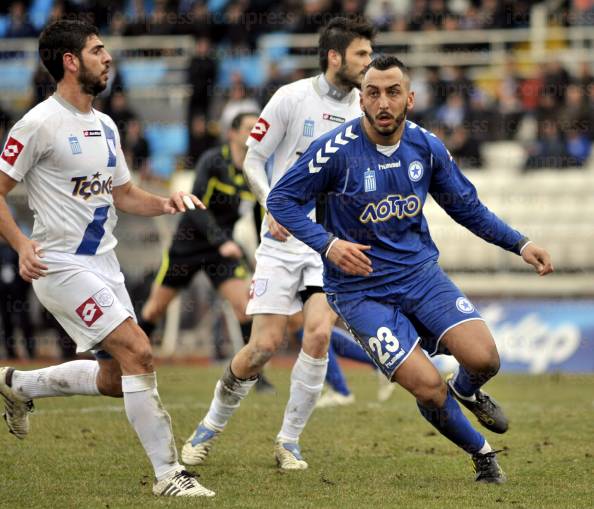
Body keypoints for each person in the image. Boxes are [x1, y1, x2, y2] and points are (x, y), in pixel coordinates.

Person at [267, 55, 554, 483]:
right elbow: (280, 200)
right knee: (427, 387)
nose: (383, 102)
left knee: (485, 358)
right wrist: (328, 245)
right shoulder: (335, 151)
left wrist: (521, 243)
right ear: (360, 100)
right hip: (360, 292)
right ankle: (482, 454)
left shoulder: (426, 146)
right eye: (373, 93)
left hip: (420, 275)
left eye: (393, 92)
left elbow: (467, 208)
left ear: (410, 99)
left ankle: (468, 388)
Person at [0, 20, 214, 497]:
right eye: (98, 50)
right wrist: (20, 243)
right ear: (71, 62)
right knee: (139, 350)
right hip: (60, 264)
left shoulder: (105, 123)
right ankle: (168, 475)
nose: (108, 57)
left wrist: (164, 203)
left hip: (105, 264)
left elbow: (122, 194)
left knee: (117, 377)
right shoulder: (37, 124)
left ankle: (18, 384)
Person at [181, 17, 376, 470]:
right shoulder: (290, 98)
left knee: (319, 333)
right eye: (361, 54)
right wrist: (272, 205)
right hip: (283, 241)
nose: (369, 63)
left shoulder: (364, 109)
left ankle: (288, 442)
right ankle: (207, 429)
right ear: (335, 56)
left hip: (329, 244)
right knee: (263, 346)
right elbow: (254, 158)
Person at [138, 112, 274, 391]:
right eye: (248, 128)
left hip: (221, 253)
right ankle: (130, 364)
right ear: (232, 134)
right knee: (154, 310)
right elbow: (194, 203)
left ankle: (254, 376)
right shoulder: (213, 161)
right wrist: (220, 239)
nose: (254, 134)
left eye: (257, 128)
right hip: (189, 245)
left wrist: (266, 254)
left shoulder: (255, 169)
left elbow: (261, 214)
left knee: (244, 309)